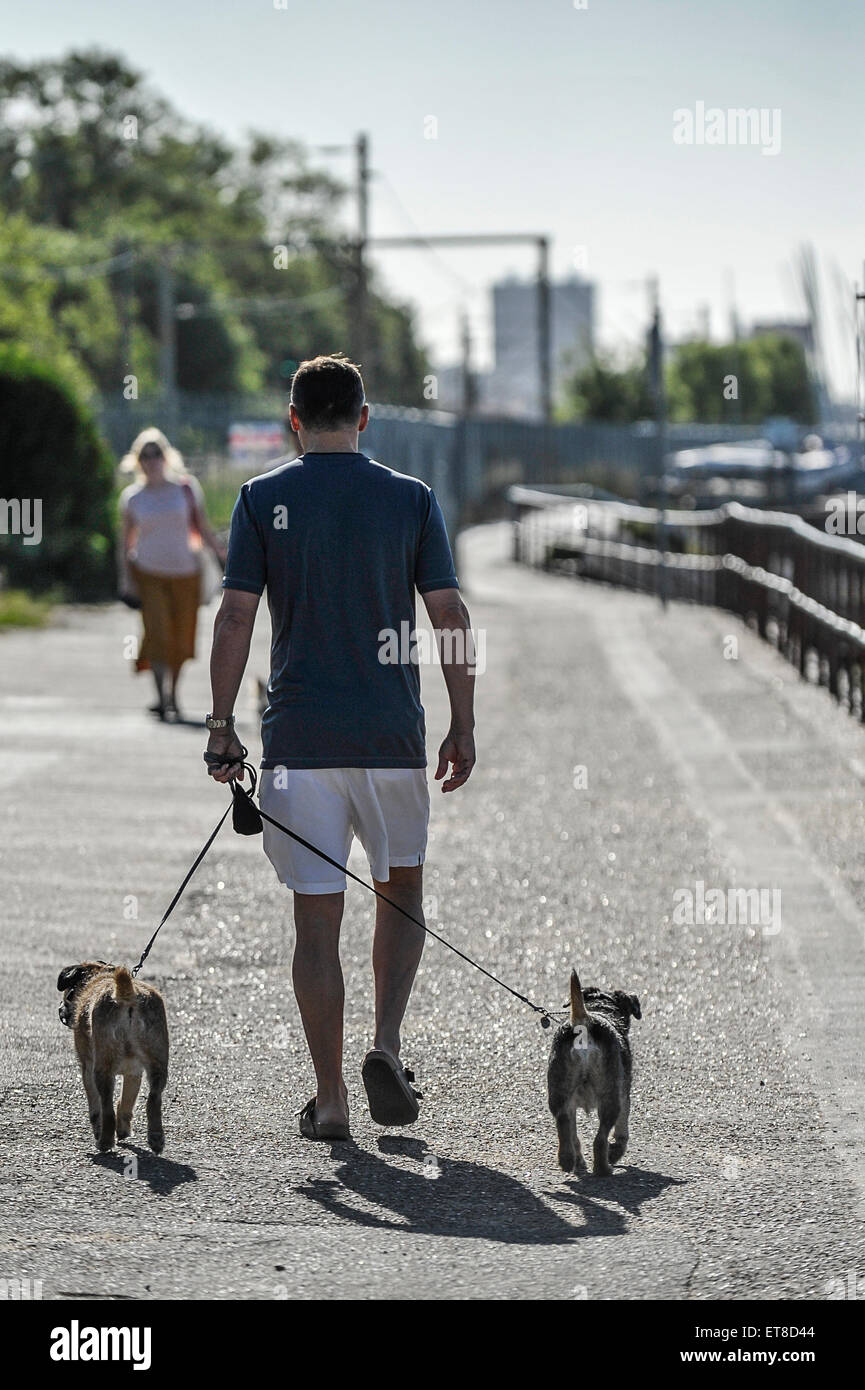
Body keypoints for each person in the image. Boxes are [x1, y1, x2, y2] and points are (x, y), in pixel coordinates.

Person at [205, 354, 476, 1142]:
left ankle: (330, 1101)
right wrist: (462, 721)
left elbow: (233, 620)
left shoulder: (262, 500)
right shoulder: (411, 500)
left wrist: (222, 726)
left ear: (293, 419)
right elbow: (450, 616)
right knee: (400, 895)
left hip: (298, 742)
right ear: (363, 419)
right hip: (391, 738)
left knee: (314, 926)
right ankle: (385, 1044)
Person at [119, 428, 226, 721]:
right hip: (148, 573)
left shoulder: (186, 488)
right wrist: (125, 579)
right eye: (145, 454)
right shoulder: (132, 498)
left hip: (186, 572)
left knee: (181, 638)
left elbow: (202, 528)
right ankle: (159, 695)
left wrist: (222, 553)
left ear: (166, 457)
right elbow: (125, 542)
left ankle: (172, 695)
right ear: (137, 460)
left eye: (157, 453)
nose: (152, 459)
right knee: (157, 634)